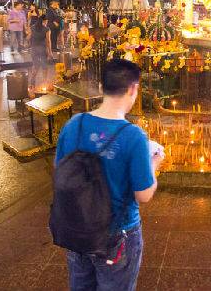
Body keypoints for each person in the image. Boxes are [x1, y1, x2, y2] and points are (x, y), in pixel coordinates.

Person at [54, 59, 162, 290]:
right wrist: (154, 163)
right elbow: (143, 195)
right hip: (117, 235)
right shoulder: (134, 137)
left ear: (101, 87)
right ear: (133, 89)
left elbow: (59, 172)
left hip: (77, 231)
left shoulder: (74, 124)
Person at [29, 14, 53, 87]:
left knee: (35, 65)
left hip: (34, 49)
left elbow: (29, 37)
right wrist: (50, 52)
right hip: (42, 49)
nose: (47, 22)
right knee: (44, 66)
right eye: (46, 21)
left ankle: (32, 82)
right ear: (44, 21)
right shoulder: (47, 29)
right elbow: (48, 41)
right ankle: (44, 82)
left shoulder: (32, 27)